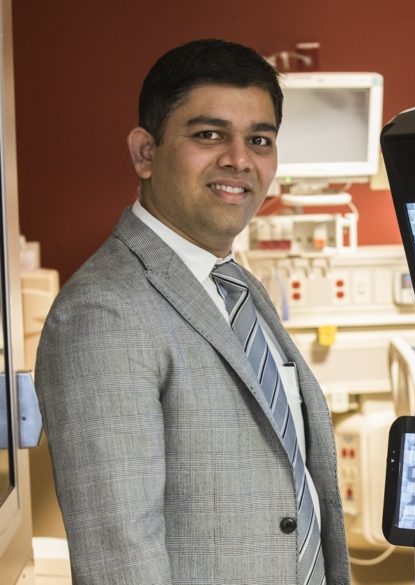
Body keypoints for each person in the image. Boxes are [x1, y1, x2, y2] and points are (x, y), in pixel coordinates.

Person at [35, 39, 350, 585]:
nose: (239, 159)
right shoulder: (103, 312)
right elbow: (120, 557)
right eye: (209, 135)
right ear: (145, 152)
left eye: (259, 139)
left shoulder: (233, 284)